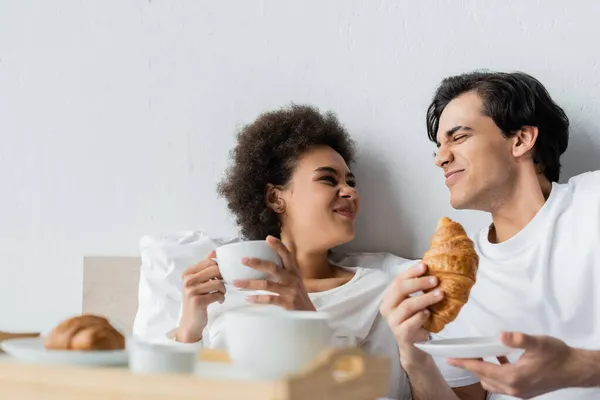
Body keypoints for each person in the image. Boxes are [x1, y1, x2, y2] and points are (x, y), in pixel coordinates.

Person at [380, 71, 600, 399]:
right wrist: (414, 356)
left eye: (459, 137)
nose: (441, 158)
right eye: (438, 147)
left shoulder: (592, 202)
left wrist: (580, 367)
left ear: (521, 140)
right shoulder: (456, 279)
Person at [171, 104, 412, 399]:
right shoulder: (223, 292)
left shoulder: (375, 292)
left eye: (351, 181)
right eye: (328, 179)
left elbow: (388, 395)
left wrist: (308, 321)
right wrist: (188, 331)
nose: (349, 191)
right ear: (275, 197)